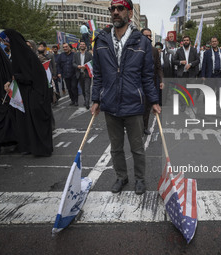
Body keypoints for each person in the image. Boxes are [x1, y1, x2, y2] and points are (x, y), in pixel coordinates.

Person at [91, 0, 161, 195]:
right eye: (112, 9)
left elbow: (148, 76)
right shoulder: (101, 40)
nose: (115, 12)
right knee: (116, 148)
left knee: (137, 148)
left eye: (120, 8)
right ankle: (121, 177)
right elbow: (98, 74)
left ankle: (140, 179)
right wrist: (96, 99)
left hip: (133, 104)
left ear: (129, 13)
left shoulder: (142, 42)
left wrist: (154, 101)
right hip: (110, 103)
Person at [3, 29, 53, 157]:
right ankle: (32, 147)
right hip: (28, 95)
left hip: (36, 95)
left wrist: (16, 77)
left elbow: (28, 77)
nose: (5, 45)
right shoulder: (19, 55)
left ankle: (42, 149)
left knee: (37, 123)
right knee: (30, 123)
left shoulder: (26, 55)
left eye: (6, 42)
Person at [141, 28, 163, 135]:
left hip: (151, 83)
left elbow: (158, 67)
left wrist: (161, 80)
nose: (149, 38)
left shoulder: (154, 51)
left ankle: (144, 127)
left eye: (150, 36)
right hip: (137, 84)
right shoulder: (136, 49)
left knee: (147, 107)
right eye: (146, 36)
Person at [201, 36, 221, 100]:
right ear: (211, 43)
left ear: (217, 42)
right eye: (213, 41)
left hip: (219, 75)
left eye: (215, 41)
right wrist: (203, 75)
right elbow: (204, 64)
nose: (214, 43)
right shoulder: (207, 53)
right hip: (210, 75)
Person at [72, 40, 93, 108]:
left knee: (87, 89)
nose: (82, 45)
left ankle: (87, 103)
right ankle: (85, 99)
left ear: (85, 46)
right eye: (81, 44)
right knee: (83, 89)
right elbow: (73, 63)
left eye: (83, 44)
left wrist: (86, 67)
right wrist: (78, 66)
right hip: (79, 74)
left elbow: (92, 63)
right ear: (79, 46)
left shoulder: (89, 54)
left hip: (87, 74)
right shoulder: (76, 54)